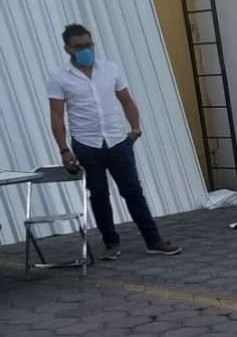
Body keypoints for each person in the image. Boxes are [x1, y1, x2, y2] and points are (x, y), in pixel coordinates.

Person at [46, 24, 181, 259]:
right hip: (86, 144)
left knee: (133, 192)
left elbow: (126, 100)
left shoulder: (110, 69)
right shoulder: (59, 77)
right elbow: (57, 115)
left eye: (89, 45)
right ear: (68, 48)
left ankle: (153, 240)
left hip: (118, 141)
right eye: (79, 47)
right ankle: (111, 243)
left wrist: (136, 129)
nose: (86, 50)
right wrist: (64, 150)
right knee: (99, 195)